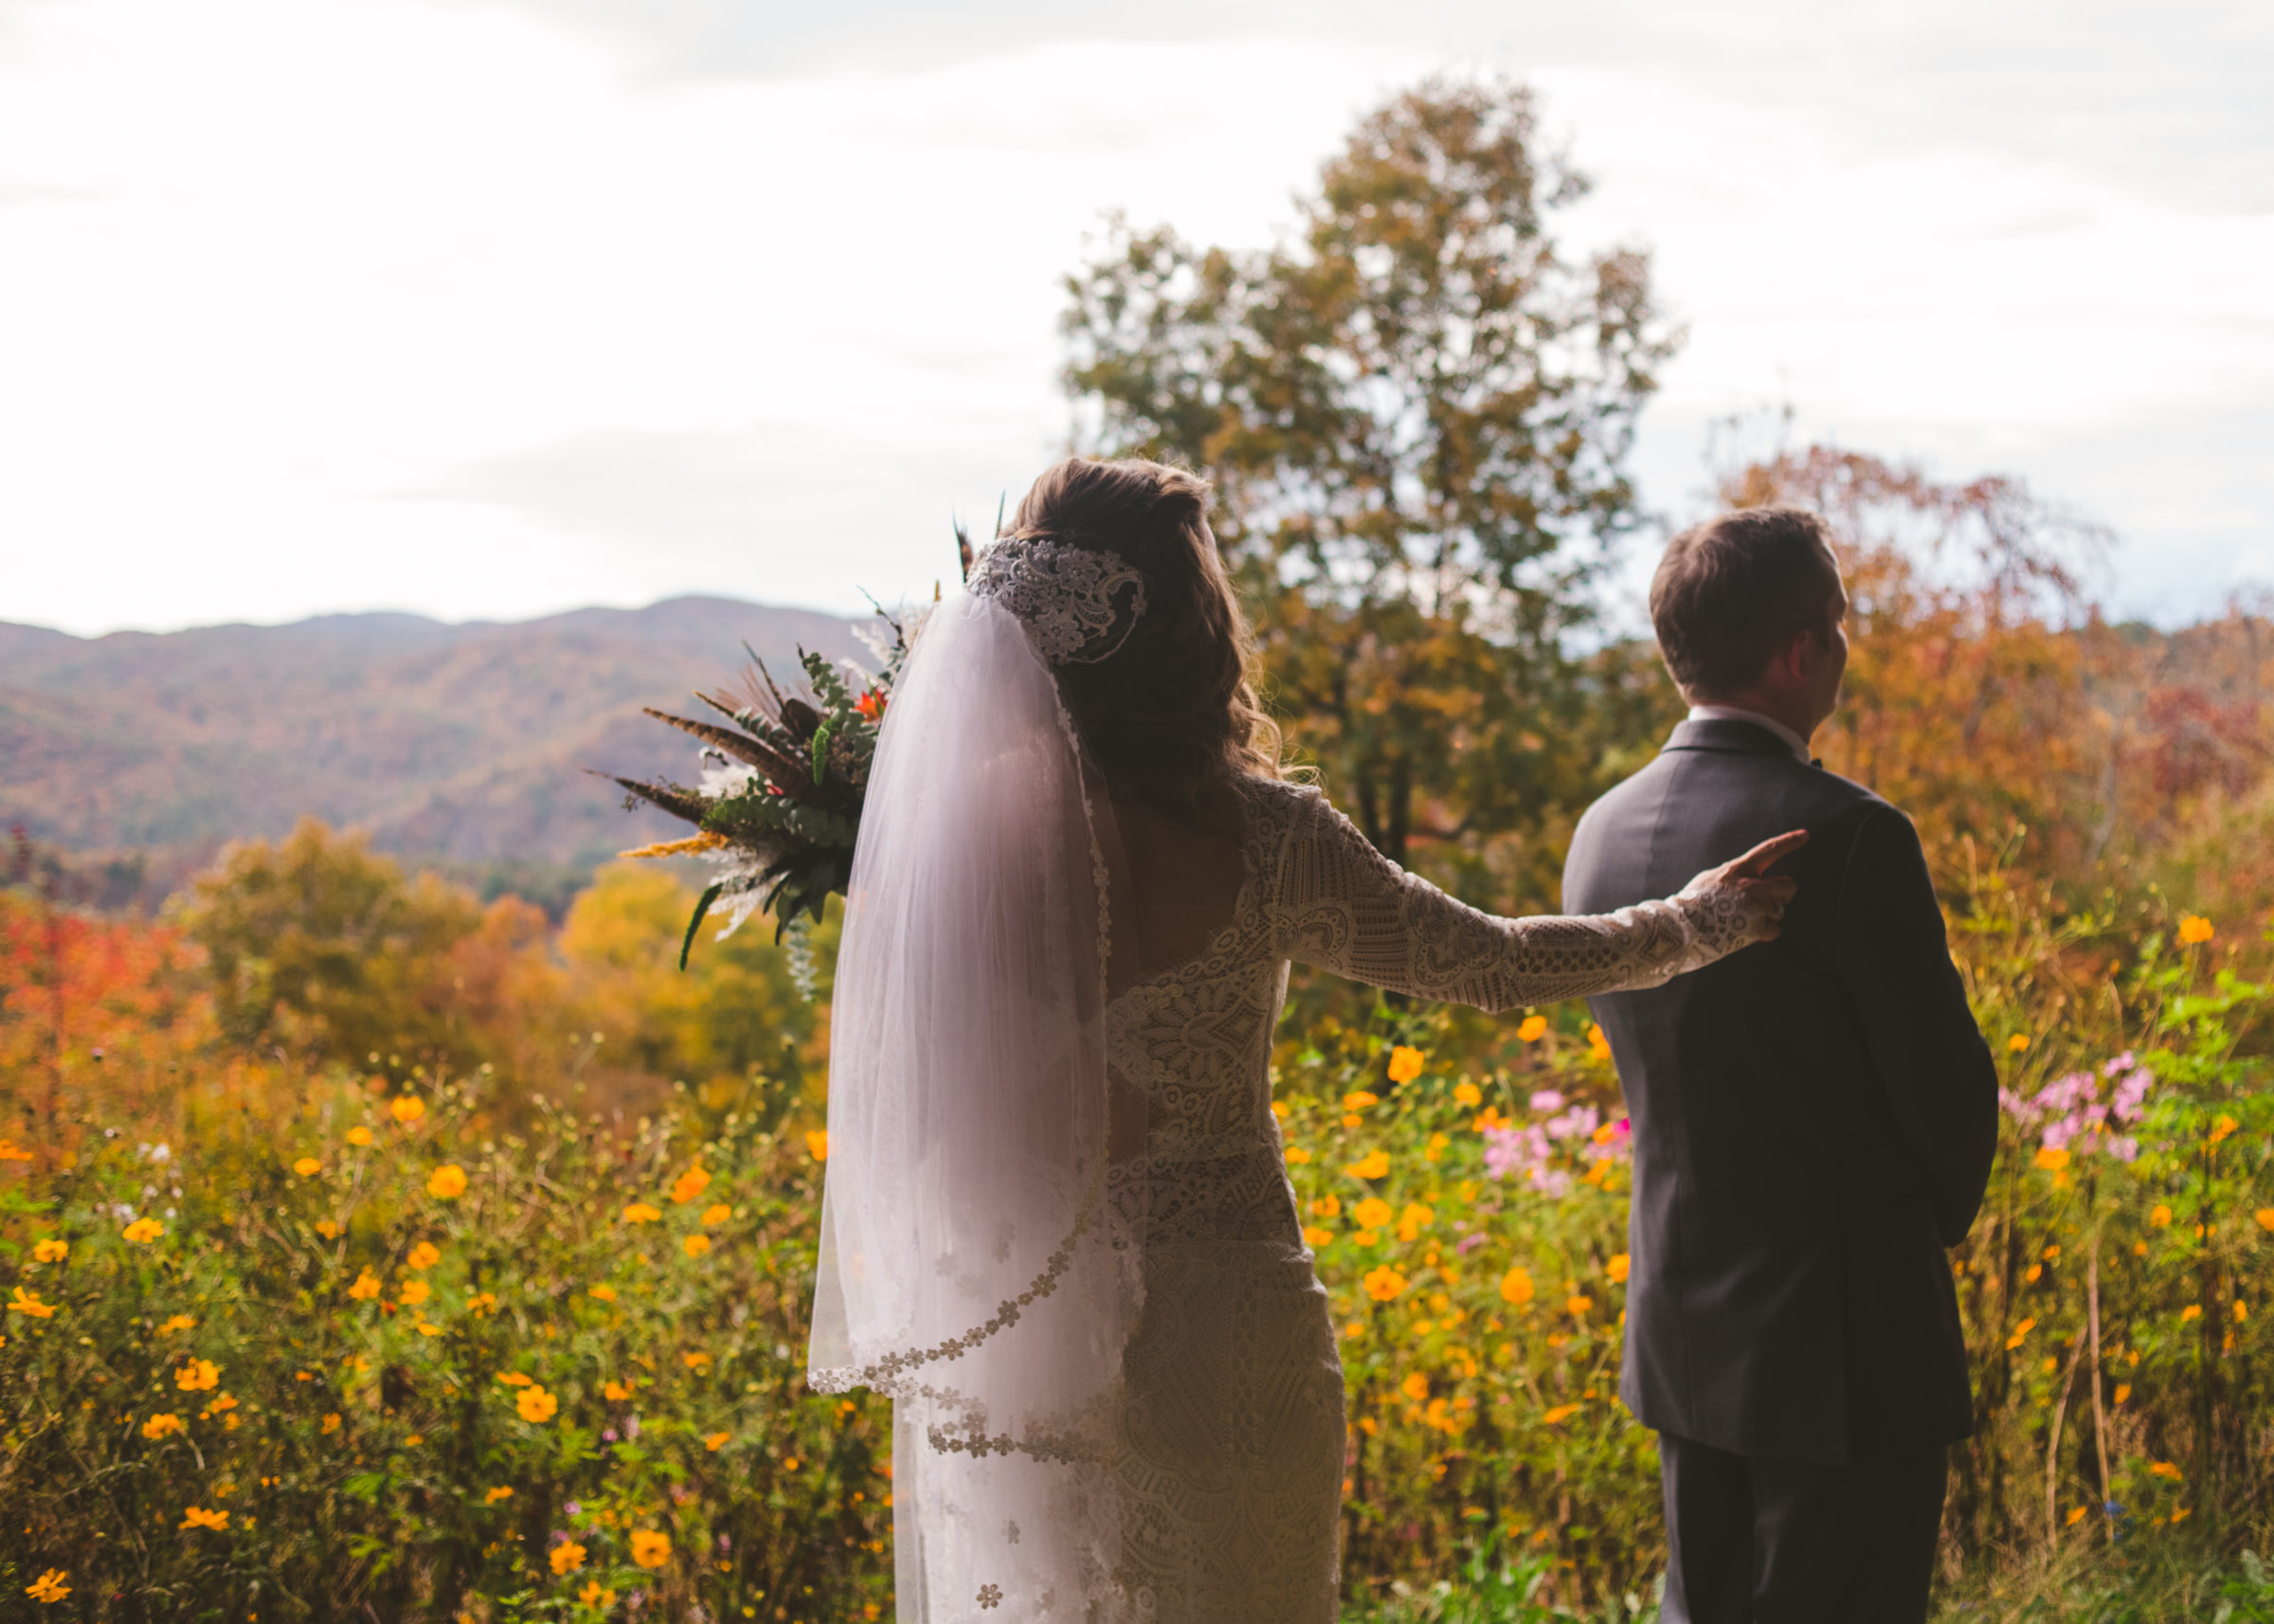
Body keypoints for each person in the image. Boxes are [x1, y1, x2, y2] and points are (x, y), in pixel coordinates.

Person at [808, 458, 1803, 1624]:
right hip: (1228, 1329)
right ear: (1190, 628)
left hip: (1021, 1347)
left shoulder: (961, 847)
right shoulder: (1265, 838)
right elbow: (1493, 962)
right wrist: (1696, 921)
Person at [1561, 507, 1999, 1624]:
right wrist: (1922, 1227)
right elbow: (1946, 1090)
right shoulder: (1848, 836)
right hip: (1845, 1333)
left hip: (1680, 1316)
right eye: (1840, 623)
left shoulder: (1598, 834)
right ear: (1803, 650)